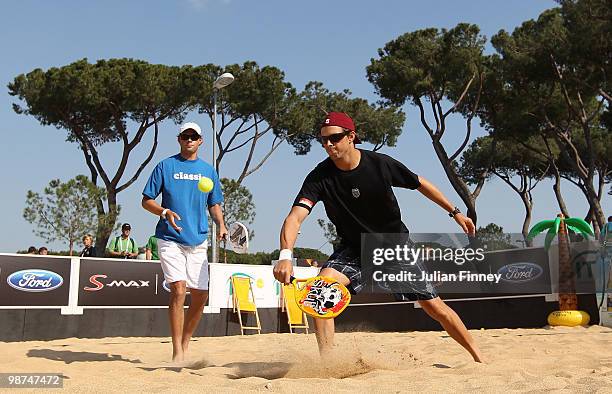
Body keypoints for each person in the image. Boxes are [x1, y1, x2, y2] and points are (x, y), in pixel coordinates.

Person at [273, 112, 484, 362]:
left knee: (433, 307)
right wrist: (285, 256)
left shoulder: (380, 164)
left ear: (351, 137)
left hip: (393, 247)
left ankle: (478, 356)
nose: (328, 145)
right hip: (354, 249)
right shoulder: (319, 177)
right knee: (320, 293)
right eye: (323, 140)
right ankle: (328, 364)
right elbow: (294, 217)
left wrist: (455, 212)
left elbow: (420, 183)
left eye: (335, 138)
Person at [142, 121, 227, 362]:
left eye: (194, 136)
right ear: (179, 139)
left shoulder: (209, 171)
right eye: (185, 136)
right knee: (179, 289)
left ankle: (185, 342)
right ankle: (177, 351)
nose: (189, 140)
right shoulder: (165, 166)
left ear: (201, 141)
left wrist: (221, 224)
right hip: (169, 237)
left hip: (198, 239)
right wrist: (163, 212)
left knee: (201, 295)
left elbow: (214, 203)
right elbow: (146, 200)